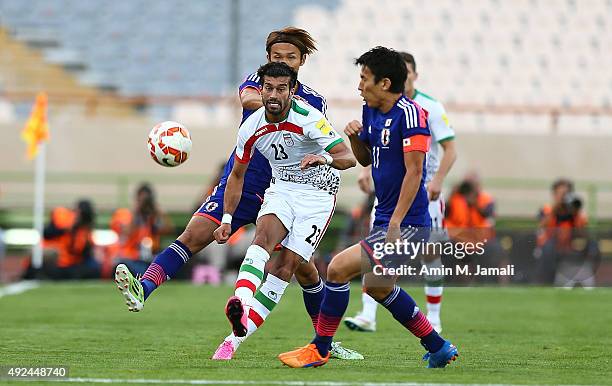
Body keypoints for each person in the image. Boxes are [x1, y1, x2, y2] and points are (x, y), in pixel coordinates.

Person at [114, 27, 362, 360]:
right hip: (243, 183)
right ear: (268, 60)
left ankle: (324, 342)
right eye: (277, 57)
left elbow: (324, 142)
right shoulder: (258, 84)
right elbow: (248, 100)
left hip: (289, 188)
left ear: (302, 61)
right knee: (194, 234)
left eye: (290, 57)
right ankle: (143, 289)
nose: (284, 61)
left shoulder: (314, 102)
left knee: (305, 269)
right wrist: (279, 98)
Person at [278, 47, 458, 369]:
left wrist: (395, 225)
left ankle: (320, 348)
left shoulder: (413, 115)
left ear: (385, 83)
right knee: (377, 286)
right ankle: (438, 345)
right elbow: (365, 159)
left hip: (408, 223)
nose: (359, 86)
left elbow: (415, 173)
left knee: (336, 268)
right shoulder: (370, 111)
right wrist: (356, 138)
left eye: (364, 79)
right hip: (387, 217)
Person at [212, 61, 356, 359]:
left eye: (281, 88)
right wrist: (227, 219)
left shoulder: (309, 118)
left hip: (318, 196)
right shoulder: (251, 126)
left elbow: (347, 157)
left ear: (292, 92)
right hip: (283, 189)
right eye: (268, 88)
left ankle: (233, 340)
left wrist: (323, 159)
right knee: (262, 238)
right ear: (260, 90)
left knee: (285, 267)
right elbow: (236, 174)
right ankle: (240, 306)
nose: (273, 94)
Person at [345, 52, 457, 333]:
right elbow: (374, 154)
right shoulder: (374, 106)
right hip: (386, 199)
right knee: (376, 264)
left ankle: (434, 319)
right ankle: (368, 315)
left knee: (430, 253)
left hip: (422, 193)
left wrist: (438, 181)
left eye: (408, 72)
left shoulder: (425, 108)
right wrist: (364, 169)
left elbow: (446, 152)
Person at [535, 178, 598, 287]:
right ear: (554, 195)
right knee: (548, 248)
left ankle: (586, 278)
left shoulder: (575, 212)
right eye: (561, 193)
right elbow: (542, 226)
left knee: (593, 245)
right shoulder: (547, 209)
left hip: (569, 246)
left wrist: (575, 213)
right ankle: (546, 282)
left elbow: (583, 232)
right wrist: (557, 209)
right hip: (552, 246)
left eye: (567, 193)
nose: (564, 197)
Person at [110, 183, 173, 276]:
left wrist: (158, 211)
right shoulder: (125, 214)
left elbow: (169, 230)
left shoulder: (152, 217)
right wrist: (137, 211)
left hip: (150, 259)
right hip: (129, 258)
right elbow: (127, 232)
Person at [35, 200, 100, 279]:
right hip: (54, 260)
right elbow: (46, 233)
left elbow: (85, 254)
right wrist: (68, 228)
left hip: (71, 264)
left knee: (93, 268)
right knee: (49, 254)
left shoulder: (85, 232)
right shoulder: (64, 218)